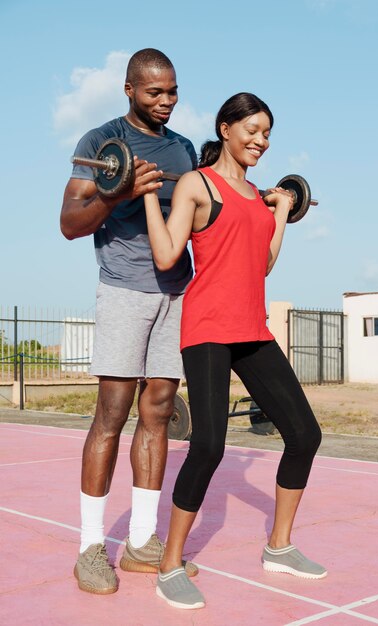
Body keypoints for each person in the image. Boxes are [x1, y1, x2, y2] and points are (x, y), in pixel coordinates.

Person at [143, 92, 327, 609]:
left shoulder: (257, 197)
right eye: (252, 129)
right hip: (206, 329)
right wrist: (142, 200)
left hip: (252, 328)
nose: (260, 141)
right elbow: (166, 254)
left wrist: (284, 210)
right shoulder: (198, 184)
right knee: (207, 447)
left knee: (305, 434)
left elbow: (262, 266)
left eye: (267, 134)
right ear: (226, 128)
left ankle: (279, 546)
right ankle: (169, 563)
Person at [60, 48, 199, 595]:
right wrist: (117, 192)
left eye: (172, 92)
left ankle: (143, 542)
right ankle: (90, 547)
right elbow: (70, 222)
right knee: (111, 414)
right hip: (122, 289)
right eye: (154, 93)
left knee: (160, 411)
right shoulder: (99, 143)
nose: (165, 102)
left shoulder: (184, 148)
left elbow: (202, 216)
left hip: (176, 292)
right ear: (129, 90)